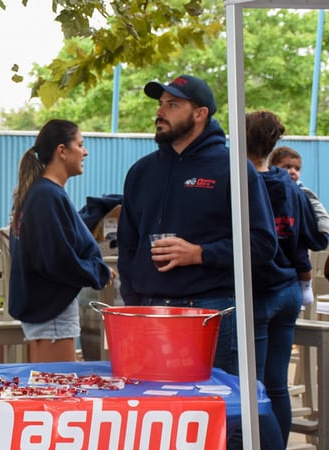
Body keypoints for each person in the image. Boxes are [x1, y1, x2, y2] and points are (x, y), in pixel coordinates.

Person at [117, 74, 278, 376]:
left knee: (216, 415)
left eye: (173, 104)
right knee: (157, 412)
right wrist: (134, 301)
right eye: (161, 104)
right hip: (149, 313)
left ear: (200, 114)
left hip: (210, 313)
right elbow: (127, 244)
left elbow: (263, 244)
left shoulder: (232, 168)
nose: (160, 112)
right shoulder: (141, 171)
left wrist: (200, 253)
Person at [246, 111, 327, 450]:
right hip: (289, 292)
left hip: (260, 292)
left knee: (255, 385)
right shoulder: (291, 187)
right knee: (276, 384)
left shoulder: (243, 185)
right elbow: (312, 235)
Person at [7, 120, 114, 362]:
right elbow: (57, 259)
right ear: (62, 151)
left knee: (48, 388)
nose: (85, 151)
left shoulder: (39, 192)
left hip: (45, 310)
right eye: (80, 144)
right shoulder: (47, 195)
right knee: (56, 390)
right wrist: (99, 272)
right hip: (51, 313)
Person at [269, 145, 329, 305]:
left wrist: (323, 232)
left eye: (297, 168)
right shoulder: (265, 188)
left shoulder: (302, 192)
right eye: (287, 167)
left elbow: (320, 211)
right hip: (277, 242)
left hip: (296, 238)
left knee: (301, 257)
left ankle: (306, 286)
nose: (293, 171)